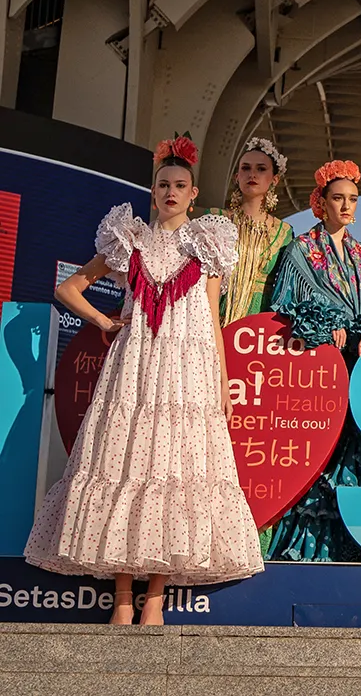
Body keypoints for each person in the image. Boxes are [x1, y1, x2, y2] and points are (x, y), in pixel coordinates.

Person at [26, 136, 262, 623]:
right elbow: (69, 288)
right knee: (126, 462)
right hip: (135, 365)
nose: (171, 192)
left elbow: (212, 318)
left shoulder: (208, 242)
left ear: (193, 194)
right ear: (153, 192)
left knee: (176, 470)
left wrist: (222, 379)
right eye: (163, 185)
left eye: (180, 185)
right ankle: (121, 598)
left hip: (188, 369)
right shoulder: (127, 240)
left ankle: (154, 597)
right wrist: (105, 321)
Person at [263, 160, 361, 560]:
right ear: (321, 202)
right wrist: (325, 326)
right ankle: (310, 554)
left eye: (353, 199)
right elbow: (283, 306)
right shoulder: (300, 250)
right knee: (318, 459)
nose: (346, 206)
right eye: (338, 198)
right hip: (319, 375)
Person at [206, 136, 294, 324]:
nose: (252, 174)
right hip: (216, 319)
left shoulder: (284, 232)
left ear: (275, 179)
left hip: (260, 327)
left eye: (261, 169)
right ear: (236, 177)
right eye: (246, 168)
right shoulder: (216, 219)